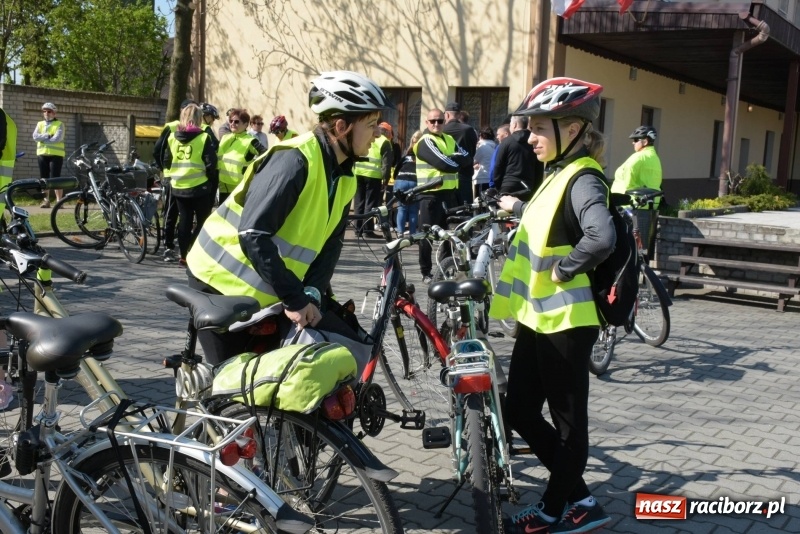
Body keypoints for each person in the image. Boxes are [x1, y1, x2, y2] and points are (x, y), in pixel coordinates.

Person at [185, 70, 392, 364]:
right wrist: (295, 298)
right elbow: (252, 234)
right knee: (236, 387)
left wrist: (313, 294)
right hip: (217, 281)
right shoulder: (294, 160)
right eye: (371, 125)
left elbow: (331, 245)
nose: (377, 134)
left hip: (268, 286)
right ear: (342, 126)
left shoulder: (346, 177)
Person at [490, 77, 615, 534]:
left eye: (540, 128)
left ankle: (555, 508)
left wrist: (565, 270)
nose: (529, 137)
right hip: (539, 318)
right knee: (519, 411)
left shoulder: (582, 177)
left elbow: (602, 237)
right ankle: (580, 498)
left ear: (574, 129)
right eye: (529, 127)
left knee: (568, 425)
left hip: (567, 321)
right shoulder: (557, 174)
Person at [415, 108, 468, 283]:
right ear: (426, 123)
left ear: (445, 121)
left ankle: (444, 269)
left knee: (449, 235)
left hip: (449, 195)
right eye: (432, 121)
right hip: (430, 196)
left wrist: (450, 159)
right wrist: (453, 159)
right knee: (427, 236)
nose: (436, 124)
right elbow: (444, 164)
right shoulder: (425, 141)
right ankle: (426, 272)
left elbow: (468, 158)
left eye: (439, 121)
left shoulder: (450, 139)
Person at [161, 103, 218, 266]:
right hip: (199, 186)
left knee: (184, 222)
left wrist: (170, 178)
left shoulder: (173, 137)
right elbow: (211, 162)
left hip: (179, 187)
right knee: (203, 221)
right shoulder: (203, 137)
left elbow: (166, 160)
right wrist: (209, 177)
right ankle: (194, 250)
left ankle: (183, 255)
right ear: (199, 119)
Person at [153, 98, 197, 262]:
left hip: (182, 177)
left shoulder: (199, 128)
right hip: (176, 177)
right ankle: (169, 246)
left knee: (177, 213)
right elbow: (158, 150)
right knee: (172, 212)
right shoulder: (172, 127)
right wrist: (164, 170)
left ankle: (173, 245)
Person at [217, 108, 267, 204]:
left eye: (236, 122)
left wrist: (252, 169)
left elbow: (265, 154)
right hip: (223, 186)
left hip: (239, 187)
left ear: (245, 125)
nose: (232, 124)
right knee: (222, 218)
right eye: (231, 121)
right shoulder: (225, 138)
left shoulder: (251, 140)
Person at [352, 121, 392, 238]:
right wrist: (386, 179)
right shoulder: (385, 142)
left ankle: (357, 229)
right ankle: (367, 230)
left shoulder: (366, 138)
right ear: (386, 133)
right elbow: (386, 163)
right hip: (373, 176)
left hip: (358, 173)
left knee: (359, 202)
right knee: (370, 204)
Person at [493, 115, 542, 200]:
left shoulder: (506, 142)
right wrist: (536, 188)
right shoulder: (534, 142)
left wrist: (498, 186)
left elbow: (498, 166)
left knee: (506, 213)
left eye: (511, 124)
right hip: (528, 186)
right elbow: (539, 167)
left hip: (508, 186)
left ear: (515, 125)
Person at [612, 125, 662, 206]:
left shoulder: (639, 156)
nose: (633, 142)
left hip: (628, 204)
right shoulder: (655, 158)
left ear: (645, 142)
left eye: (636, 140)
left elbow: (628, 180)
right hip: (650, 204)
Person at [443, 101, 478, 205]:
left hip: (446, 174)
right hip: (465, 173)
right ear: (459, 115)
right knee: (465, 209)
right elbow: (472, 151)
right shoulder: (468, 130)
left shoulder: (442, 130)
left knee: (447, 210)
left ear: (447, 114)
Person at [32, 102, 65, 209]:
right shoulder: (39, 124)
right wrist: (47, 135)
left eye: (49, 111)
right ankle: (46, 201)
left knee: (55, 178)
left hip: (56, 155)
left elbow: (57, 138)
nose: (46, 113)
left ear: (54, 113)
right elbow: (35, 137)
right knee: (44, 179)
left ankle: (59, 201)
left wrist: (43, 139)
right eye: (44, 111)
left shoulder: (59, 124)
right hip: (42, 154)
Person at [394, 130, 423, 235]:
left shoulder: (407, 154)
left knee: (402, 208)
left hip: (401, 180)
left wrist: (395, 178)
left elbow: (397, 168)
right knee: (413, 210)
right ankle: (413, 234)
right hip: (414, 182)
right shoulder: (424, 155)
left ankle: (400, 233)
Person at [472, 126, 496, 197]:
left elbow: (473, 161)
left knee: (480, 203)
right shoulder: (495, 146)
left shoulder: (482, 147)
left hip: (482, 178)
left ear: (481, 136)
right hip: (491, 179)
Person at [488, 123, 510, 188]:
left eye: (498, 134)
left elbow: (494, 165)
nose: (497, 137)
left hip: (500, 183)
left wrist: (492, 182)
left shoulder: (500, 147)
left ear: (506, 134)